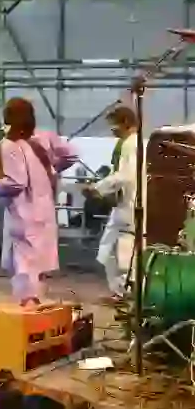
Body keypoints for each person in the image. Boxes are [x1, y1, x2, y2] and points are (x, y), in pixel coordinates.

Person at [0, 98, 78, 305]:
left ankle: (27, 314)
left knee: (23, 269)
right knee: (39, 267)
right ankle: (37, 309)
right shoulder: (45, 137)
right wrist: (53, 169)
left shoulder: (9, 144)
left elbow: (16, 183)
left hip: (22, 213)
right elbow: (72, 154)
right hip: (45, 211)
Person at [85, 106, 138, 302]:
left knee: (119, 250)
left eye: (114, 125)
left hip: (128, 206)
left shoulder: (131, 145)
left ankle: (124, 292)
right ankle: (122, 291)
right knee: (112, 249)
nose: (112, 130)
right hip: (123, 204)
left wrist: (98, 187)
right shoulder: (129, 144)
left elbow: (125, 175)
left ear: (125, 122)